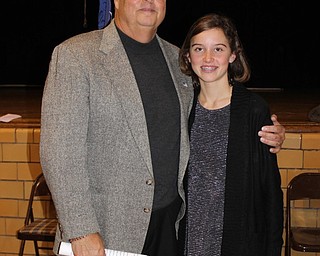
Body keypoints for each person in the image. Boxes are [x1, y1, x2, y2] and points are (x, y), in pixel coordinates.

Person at [40, 1, 285, 255]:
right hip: (107, 232)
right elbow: (59, 153)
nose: (148, 1)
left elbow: (215, 116)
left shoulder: (177, 60)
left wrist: (268, 131)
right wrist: (81, 230)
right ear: (116, 2)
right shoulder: (75, 55)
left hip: (171, 229)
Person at [179, 13, 283, 256]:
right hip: (188, 242)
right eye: (198, 49)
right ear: (187, 55)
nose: (208, 58)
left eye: (218, 49)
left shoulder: (253, 110)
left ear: (233, 54)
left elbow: (270, 193)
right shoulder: (182, 108)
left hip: (239, 243)